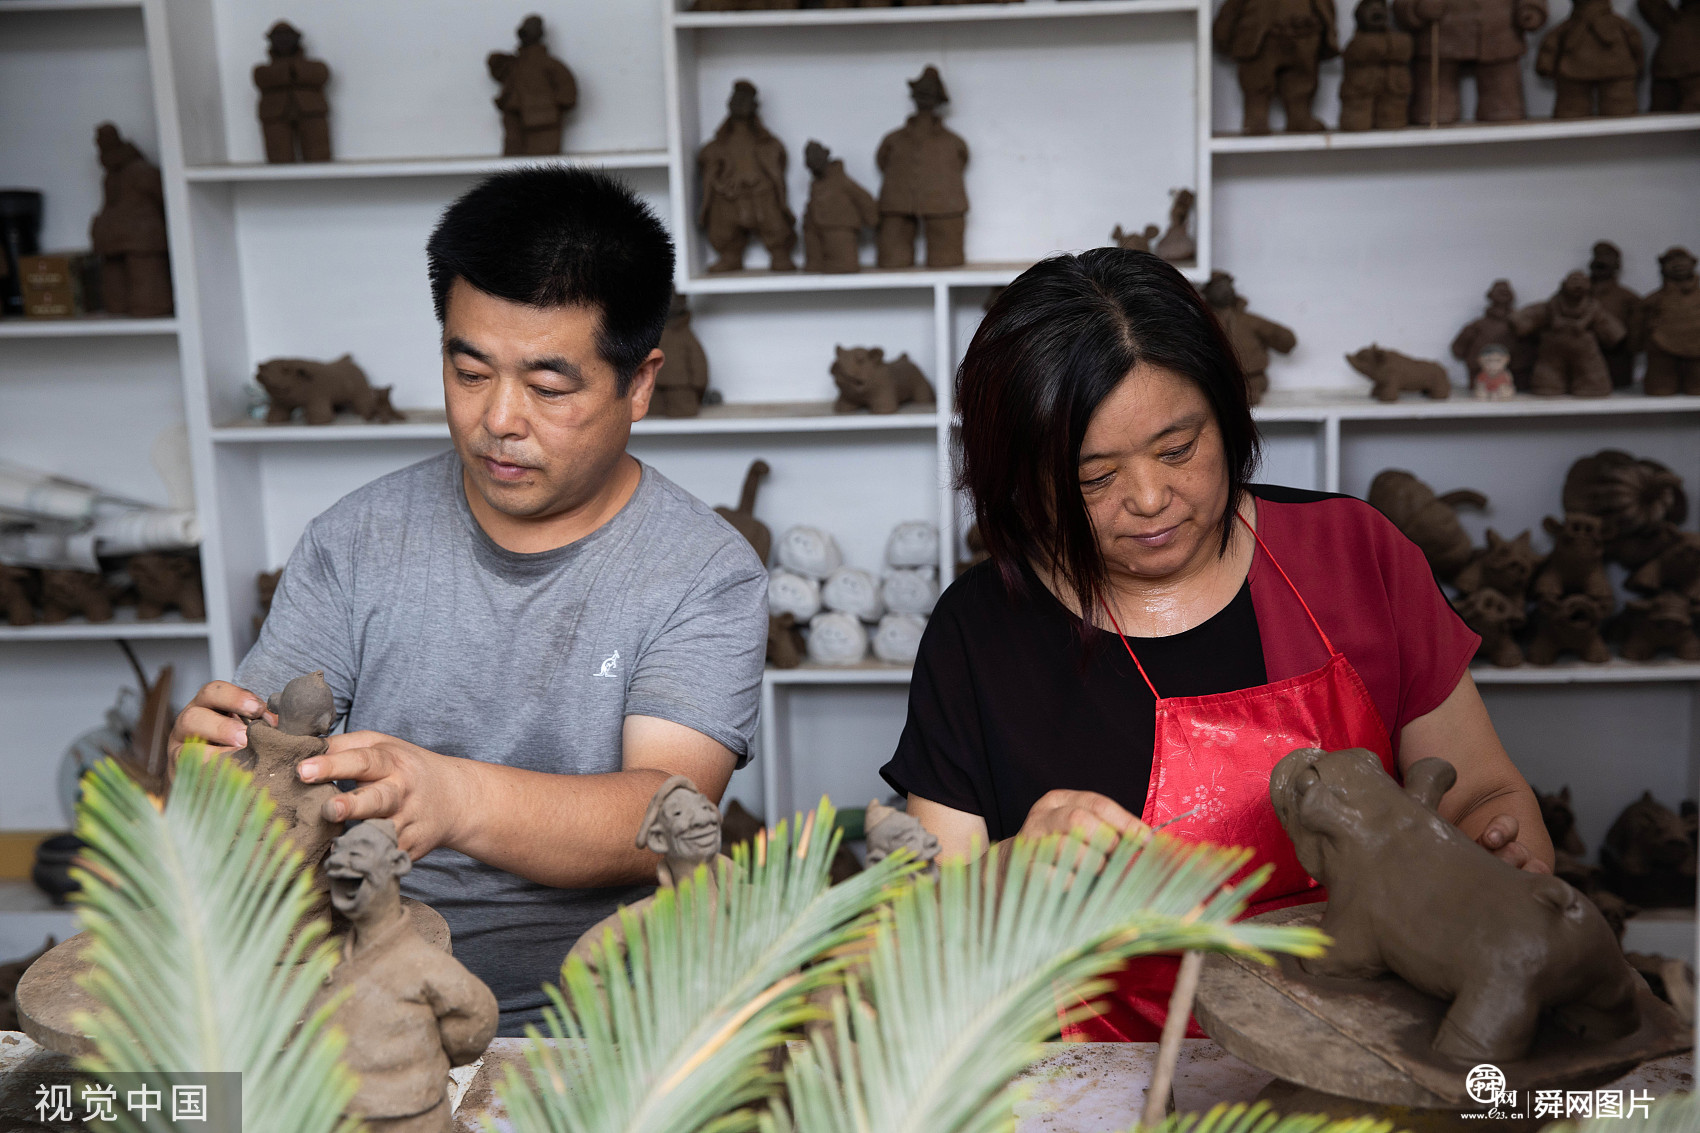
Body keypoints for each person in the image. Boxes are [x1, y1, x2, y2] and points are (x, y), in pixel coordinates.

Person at [880, 249, 1554, 1041]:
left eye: (1178, 448)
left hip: (1382, 1053)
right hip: (1107, 1087)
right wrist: (1008, 876)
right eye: (1093, 477)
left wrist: (1496, 854)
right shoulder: (980, 630)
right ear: (1022, 477)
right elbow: (918, 935)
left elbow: (1482, 795)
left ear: (1226, 413)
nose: (1151, 498)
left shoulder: (1353, 554)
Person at [168, 167, 769, 1035]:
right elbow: (269, 769)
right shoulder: (353, 539)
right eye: (469, 368)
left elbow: (660, 812)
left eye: (550, 386)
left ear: (639, 383)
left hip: (587, 1020)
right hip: (353, 995)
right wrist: (215, 767)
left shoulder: (703, 571)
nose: (499, 419)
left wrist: (449, 796)